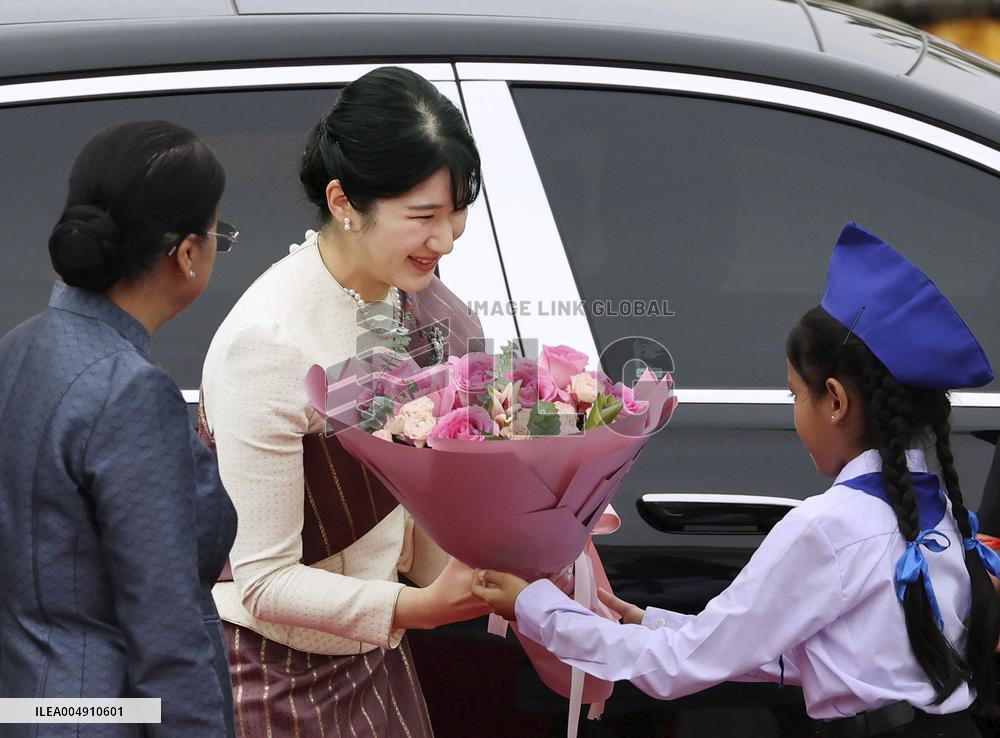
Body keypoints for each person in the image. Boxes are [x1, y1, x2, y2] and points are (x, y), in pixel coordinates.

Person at [473, 223, 1000, 737]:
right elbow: (805, 655)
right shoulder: (944, 516)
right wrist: (649, 622)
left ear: (835, 400)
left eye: (796, 395)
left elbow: (676, 669)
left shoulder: (830, 526)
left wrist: (531, 606)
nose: (796, 412)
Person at [200, 66, 489, 738]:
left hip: (378, 660)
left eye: (457, 213)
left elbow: (423, 508)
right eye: (423, 217)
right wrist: (422, 608)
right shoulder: (268, 342)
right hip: (273, 682)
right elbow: (264, 582)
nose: (445, 240)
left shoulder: (418, 303)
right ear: (343, 202)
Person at [0, 121, 238, 736]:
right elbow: (165, 624)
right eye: (219, 234)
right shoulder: (130, 389)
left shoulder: (18, 349)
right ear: (188, 253)